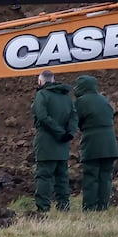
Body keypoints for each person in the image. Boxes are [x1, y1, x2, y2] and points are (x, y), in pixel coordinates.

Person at [31, 70, 78, 212]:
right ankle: (64, 206)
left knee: (44, 176)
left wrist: (59, 132)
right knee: (62, 176)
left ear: (41, 81)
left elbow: (42, 116)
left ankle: (43, 208)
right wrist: (69, 133)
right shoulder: (66, 97)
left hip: (46, 142)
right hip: (63, 144)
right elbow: (74, 117)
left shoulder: (42, 95)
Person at [73, 75, 118, 211]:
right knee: (106, 176)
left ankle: (89, 208)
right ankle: (103, 206)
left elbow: (76, 121)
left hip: (92, 143)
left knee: (91, 175)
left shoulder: (81, 102)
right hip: (110, 143)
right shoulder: (104, 99)